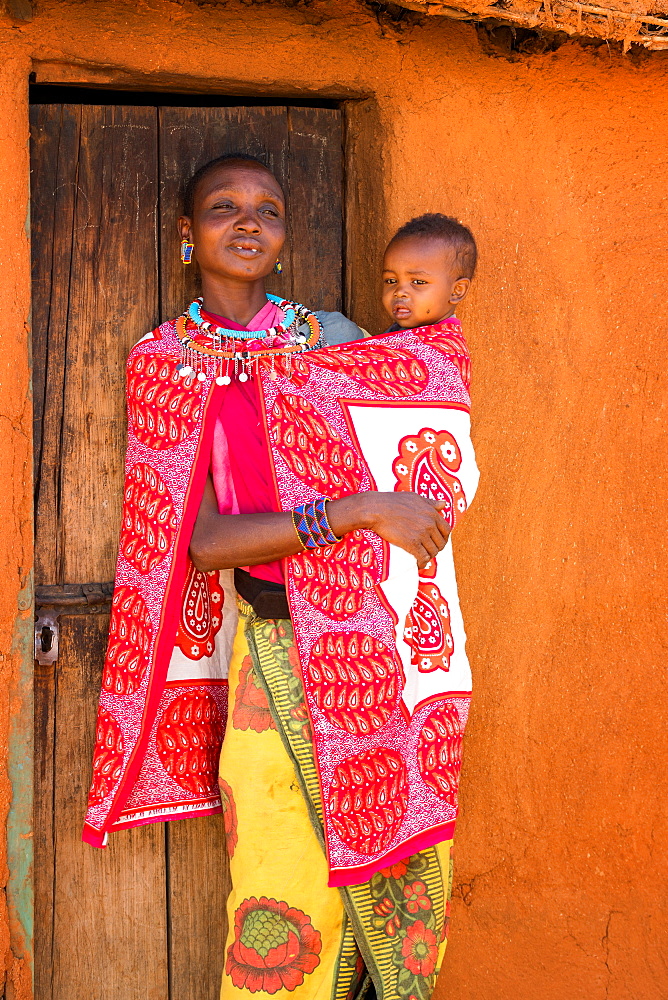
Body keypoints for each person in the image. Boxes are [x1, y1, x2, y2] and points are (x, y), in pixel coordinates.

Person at [84, 154, 479, 1000]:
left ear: (286, 230)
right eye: (223, 208)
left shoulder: (335, 342)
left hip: (382, 654)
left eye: (267, 208)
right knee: (276, 886)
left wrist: (395, 501)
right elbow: (201, 543)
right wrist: (356, 511)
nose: (248, 220)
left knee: (403, 876)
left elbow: (428, 417)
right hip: (270, 654)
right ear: (188, 237)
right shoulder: (168, 363)